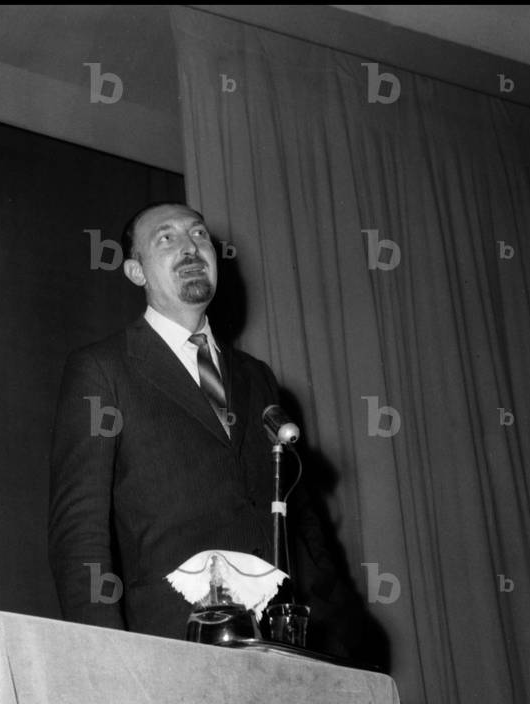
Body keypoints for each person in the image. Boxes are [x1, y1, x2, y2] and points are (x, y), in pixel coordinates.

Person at [48, 201, 352, 647]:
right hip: (173, 641)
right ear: (136, 272)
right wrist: (106, 656)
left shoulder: (257, 376)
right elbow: (79, 530)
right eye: (166, 238)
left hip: (286, 642)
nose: (191, 247)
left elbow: (299, 512)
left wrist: (338, 622)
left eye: (199, 235)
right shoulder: (102, 368)